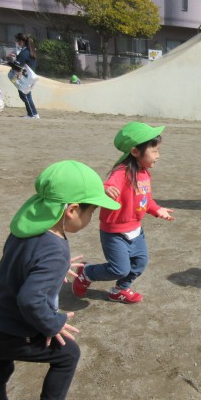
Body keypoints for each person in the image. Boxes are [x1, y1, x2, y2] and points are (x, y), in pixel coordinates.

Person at [0, 160, 120, 400]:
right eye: (92, 211)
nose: (92, 217)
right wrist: (53, 323)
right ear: (72, 210)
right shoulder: (55, 250)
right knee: (68, 354)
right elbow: (31, 300)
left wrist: (56, 268)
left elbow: (22, 262)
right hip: (10, 332)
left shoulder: (25, 227)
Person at [72, 121, 175, 304]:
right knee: (119, 269)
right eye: (154, 151)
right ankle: (87, 273)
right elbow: (108, 185)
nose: (158, 156)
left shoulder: (144, 173)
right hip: (115, 233)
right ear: (135, 151)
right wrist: (105, 189)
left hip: (136, 231)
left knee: (139, 263)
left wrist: (157, 209)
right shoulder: (122, 172)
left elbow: (145, 200)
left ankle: (120, 290)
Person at [11, 33, 39, 118]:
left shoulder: (24, 52)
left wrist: (11, 61)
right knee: (27, 95)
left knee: (24, 95)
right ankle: (34, 114)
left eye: (17, 41)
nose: (16, 43)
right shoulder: (30, 51)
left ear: (21, 41)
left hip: (25, 77)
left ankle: (32, 114)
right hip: (30, 76)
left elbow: (18, 66)